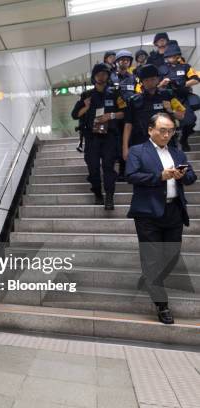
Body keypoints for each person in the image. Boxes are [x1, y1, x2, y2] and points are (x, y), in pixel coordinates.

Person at [126, 112, 197, 324]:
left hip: (174, 212)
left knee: (172, 256)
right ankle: (162, 305)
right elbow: (131, 175)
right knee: (152, 258)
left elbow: (192, 178)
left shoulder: (177, 152)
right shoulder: (138, 151)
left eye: (171, 131)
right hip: (148, 213)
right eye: (162, 130)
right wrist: (160, 176)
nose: (167, 135)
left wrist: (183, 175)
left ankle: (149, 279)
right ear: (151, 130)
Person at [72, 63, 127, 210]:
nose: (101, 77)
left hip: (109, 137)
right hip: (92, 138)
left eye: (104, 74)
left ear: (108, 76)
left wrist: (111, 115)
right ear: (94, 77)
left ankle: (109, 197)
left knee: (109, 168)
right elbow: (74, 115)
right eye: (98, 74)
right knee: (93, 168)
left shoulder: (115, 93)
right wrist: (86, 106)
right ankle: (97, 193)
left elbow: (125, 113)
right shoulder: (86, 95)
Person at [123, 64, 186, 161]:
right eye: (146, 80)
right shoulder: (133, 100)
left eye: (152, 79)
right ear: (142, 82)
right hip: (142, 142)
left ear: (157, 79)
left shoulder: (168, 95)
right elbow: (128, 125)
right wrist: (125, 147)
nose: (149, 82)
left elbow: (181, 115)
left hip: (166, 141)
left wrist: (170, 110)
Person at [160, 41, 199, 152]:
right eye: (169, 56)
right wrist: (163, 83)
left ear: (178, 56)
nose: (171, 58)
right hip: (168, 100)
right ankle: (172, 144)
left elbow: (195, 79)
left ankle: (184, 139)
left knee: (190, 121)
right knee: (167, 125)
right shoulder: (162, 69)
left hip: (183, 99)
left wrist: (181, 84)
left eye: (174, 55)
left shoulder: (185, 67)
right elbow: (156, 84)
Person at [111, 50, 138, 179]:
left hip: (131, 114)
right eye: (121, 60)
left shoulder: (134, 78)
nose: (124, 62)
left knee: (130, 142)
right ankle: (120, 170)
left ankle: (128, 169)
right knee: (117, 142)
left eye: (127, 60)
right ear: (117, 62)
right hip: (115, 116)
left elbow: (139, 94)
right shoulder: (111, 77)